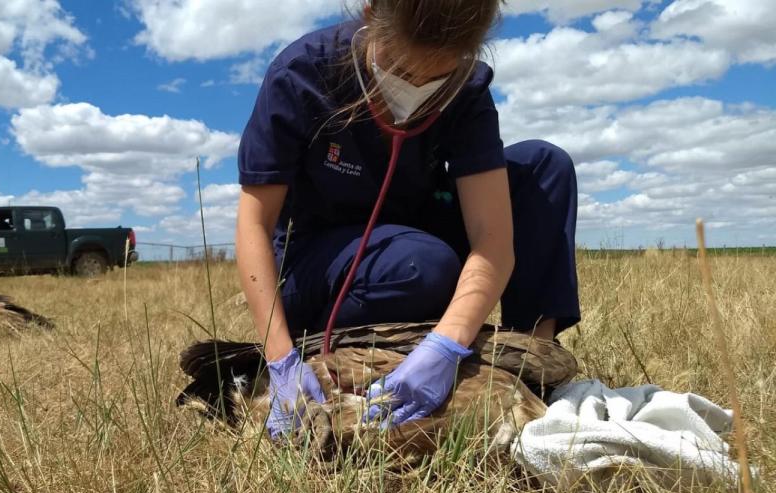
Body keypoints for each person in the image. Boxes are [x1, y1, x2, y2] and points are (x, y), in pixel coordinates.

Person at [235, 0, 580, 438]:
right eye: (400, 67)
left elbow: (492, 238)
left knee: (544, 166)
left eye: (439, 78)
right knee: (422, 263)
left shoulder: (467, 89)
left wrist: (447, 343)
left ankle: (533, 362)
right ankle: (343, 347)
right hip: (321, 262)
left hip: (415, 236)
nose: (417, 88)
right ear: (369, 12)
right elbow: (254, 225)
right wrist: (279, 358)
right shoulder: (302, 74)